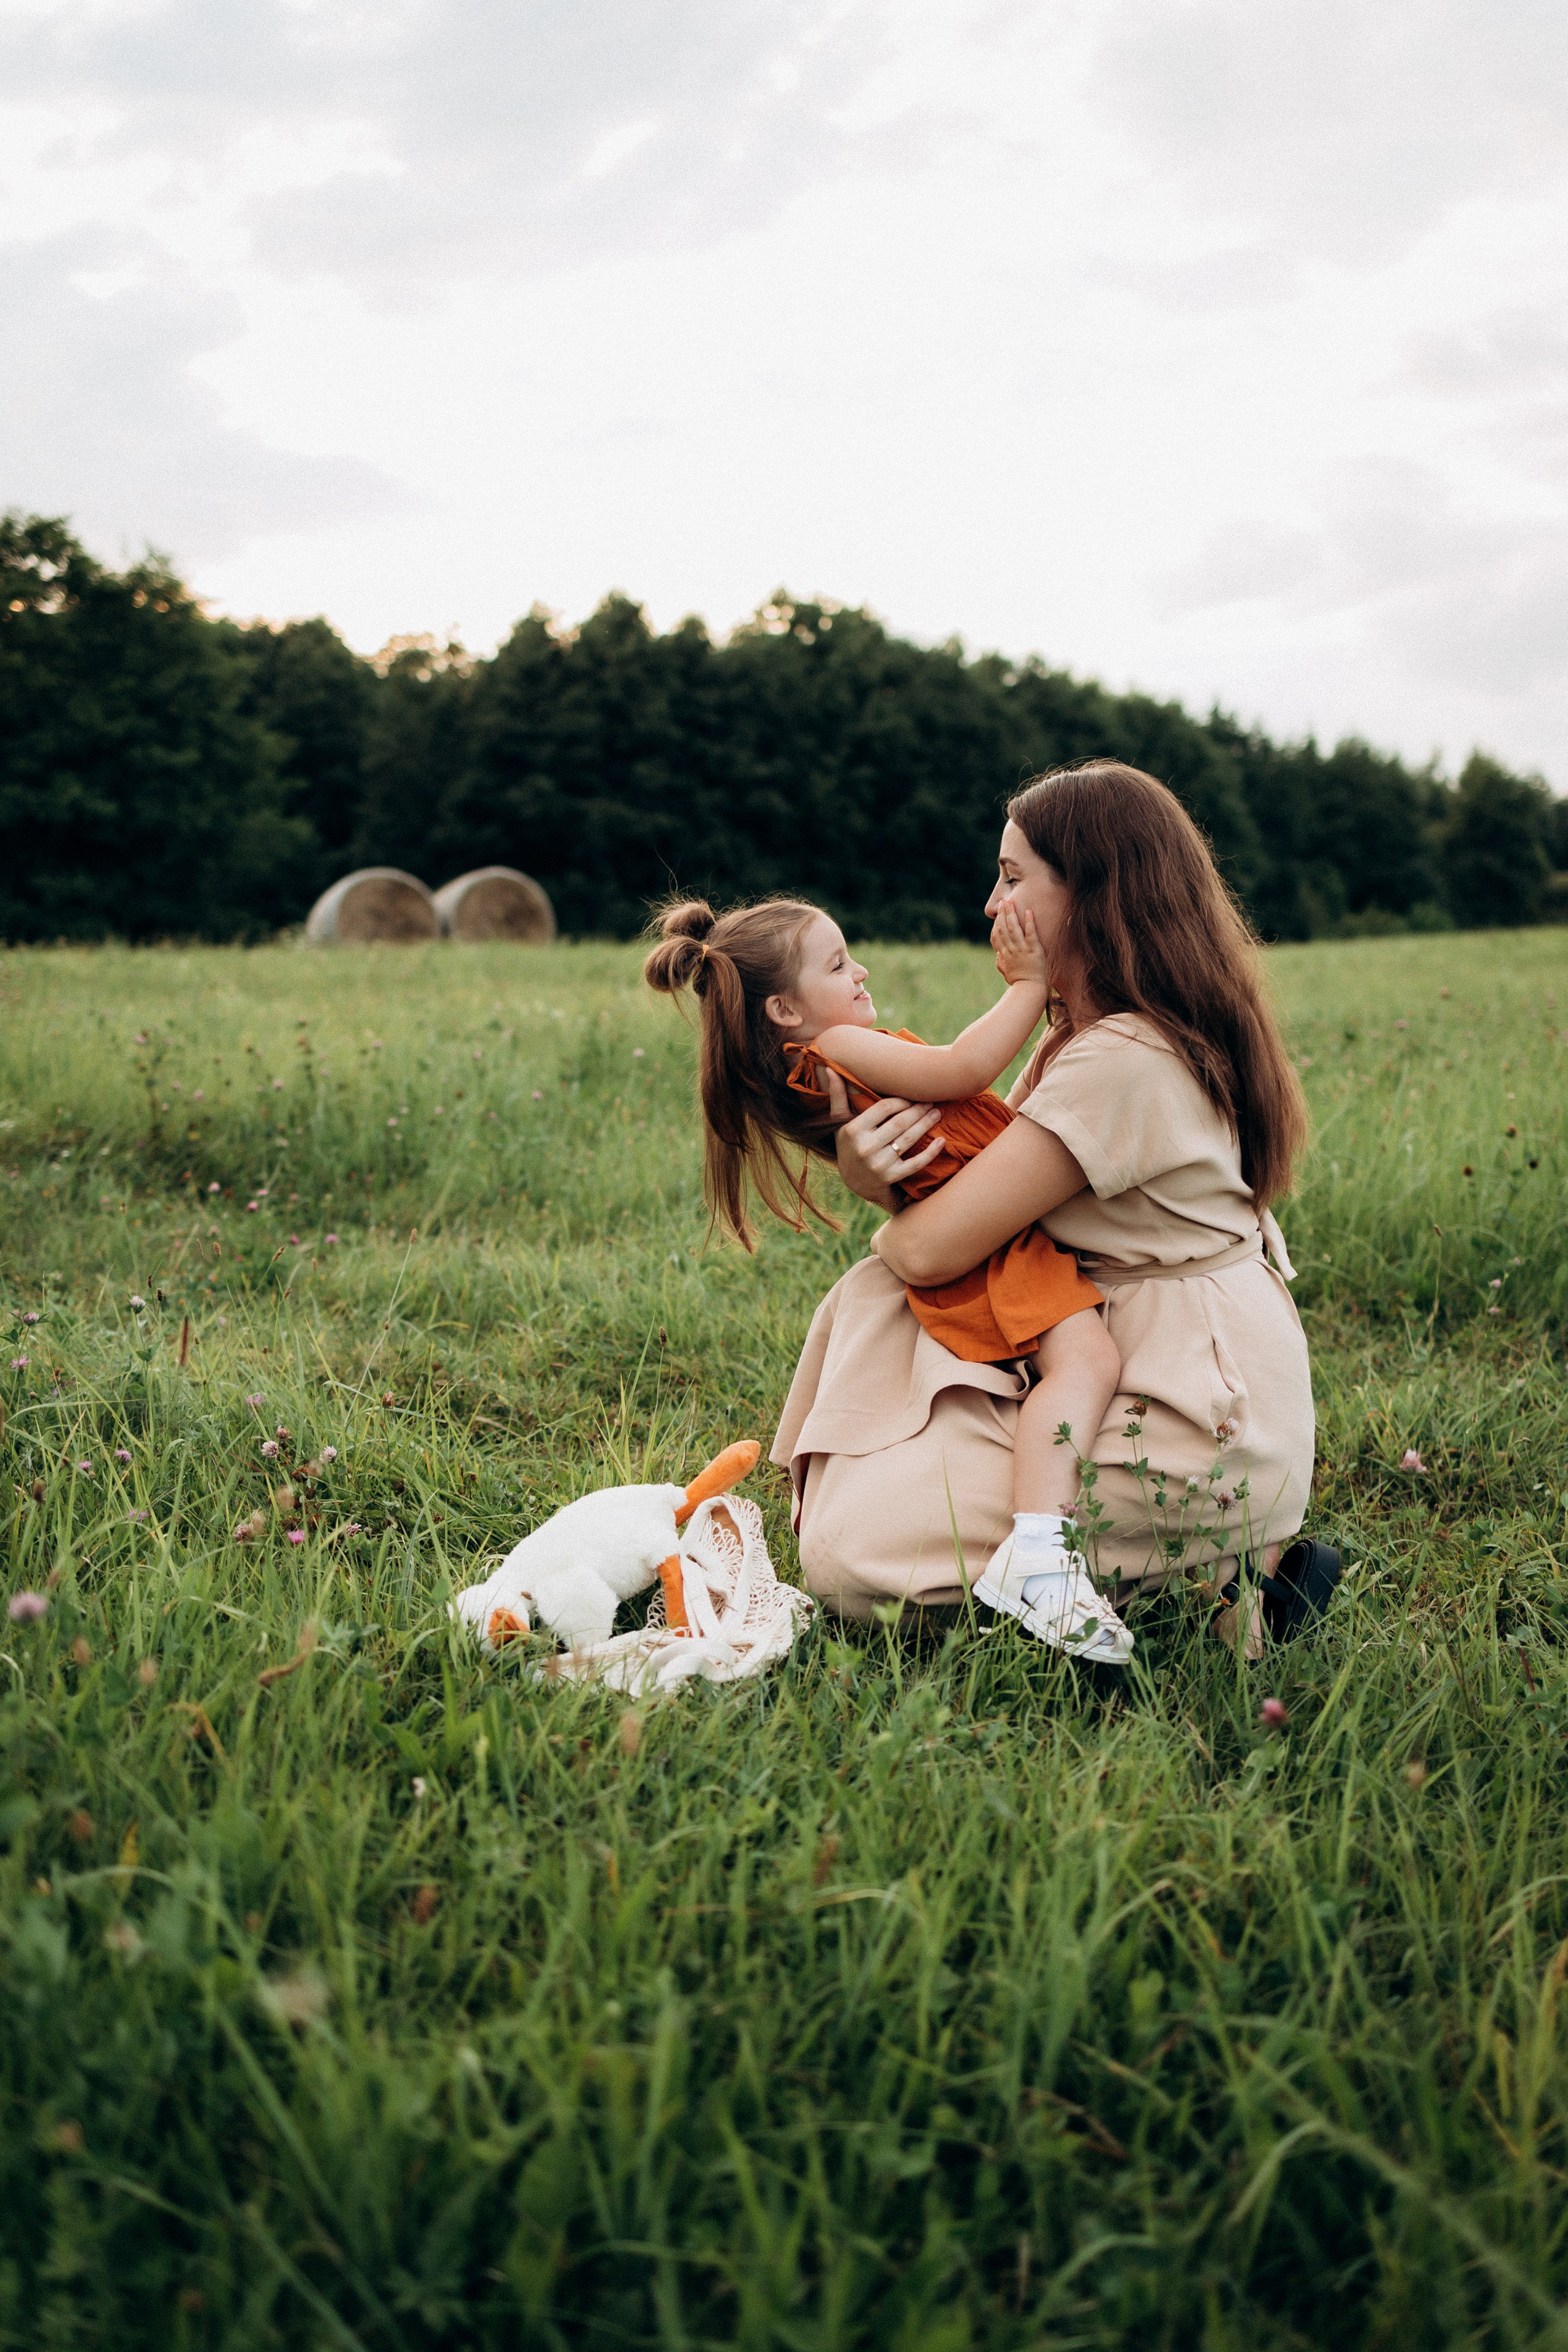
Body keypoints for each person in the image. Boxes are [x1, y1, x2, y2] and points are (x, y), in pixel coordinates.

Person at [770, 761, 1315, 1655]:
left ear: (1097, 893)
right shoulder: (1087, 1034)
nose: (992, 904)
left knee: (851, 1554)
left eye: (1014, 878)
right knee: (875, 1331)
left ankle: (1197, 1579)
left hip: (1193, 1405)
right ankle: (1169, 1574)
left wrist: (876, 1200)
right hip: (1116, 1345)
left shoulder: (1125, 1057)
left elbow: (930, 1248)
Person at [644, 893, 1134, 1661]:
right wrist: (1029, 985)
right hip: (992, 1250)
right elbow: (961, 1069)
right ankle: (1041, 1551)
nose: (860, 970)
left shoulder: (821, 1059)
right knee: (1087, 1362)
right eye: (838, 964)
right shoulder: (837, 1045)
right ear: (782, 1009)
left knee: (1070, 1367)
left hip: (979, 1239)